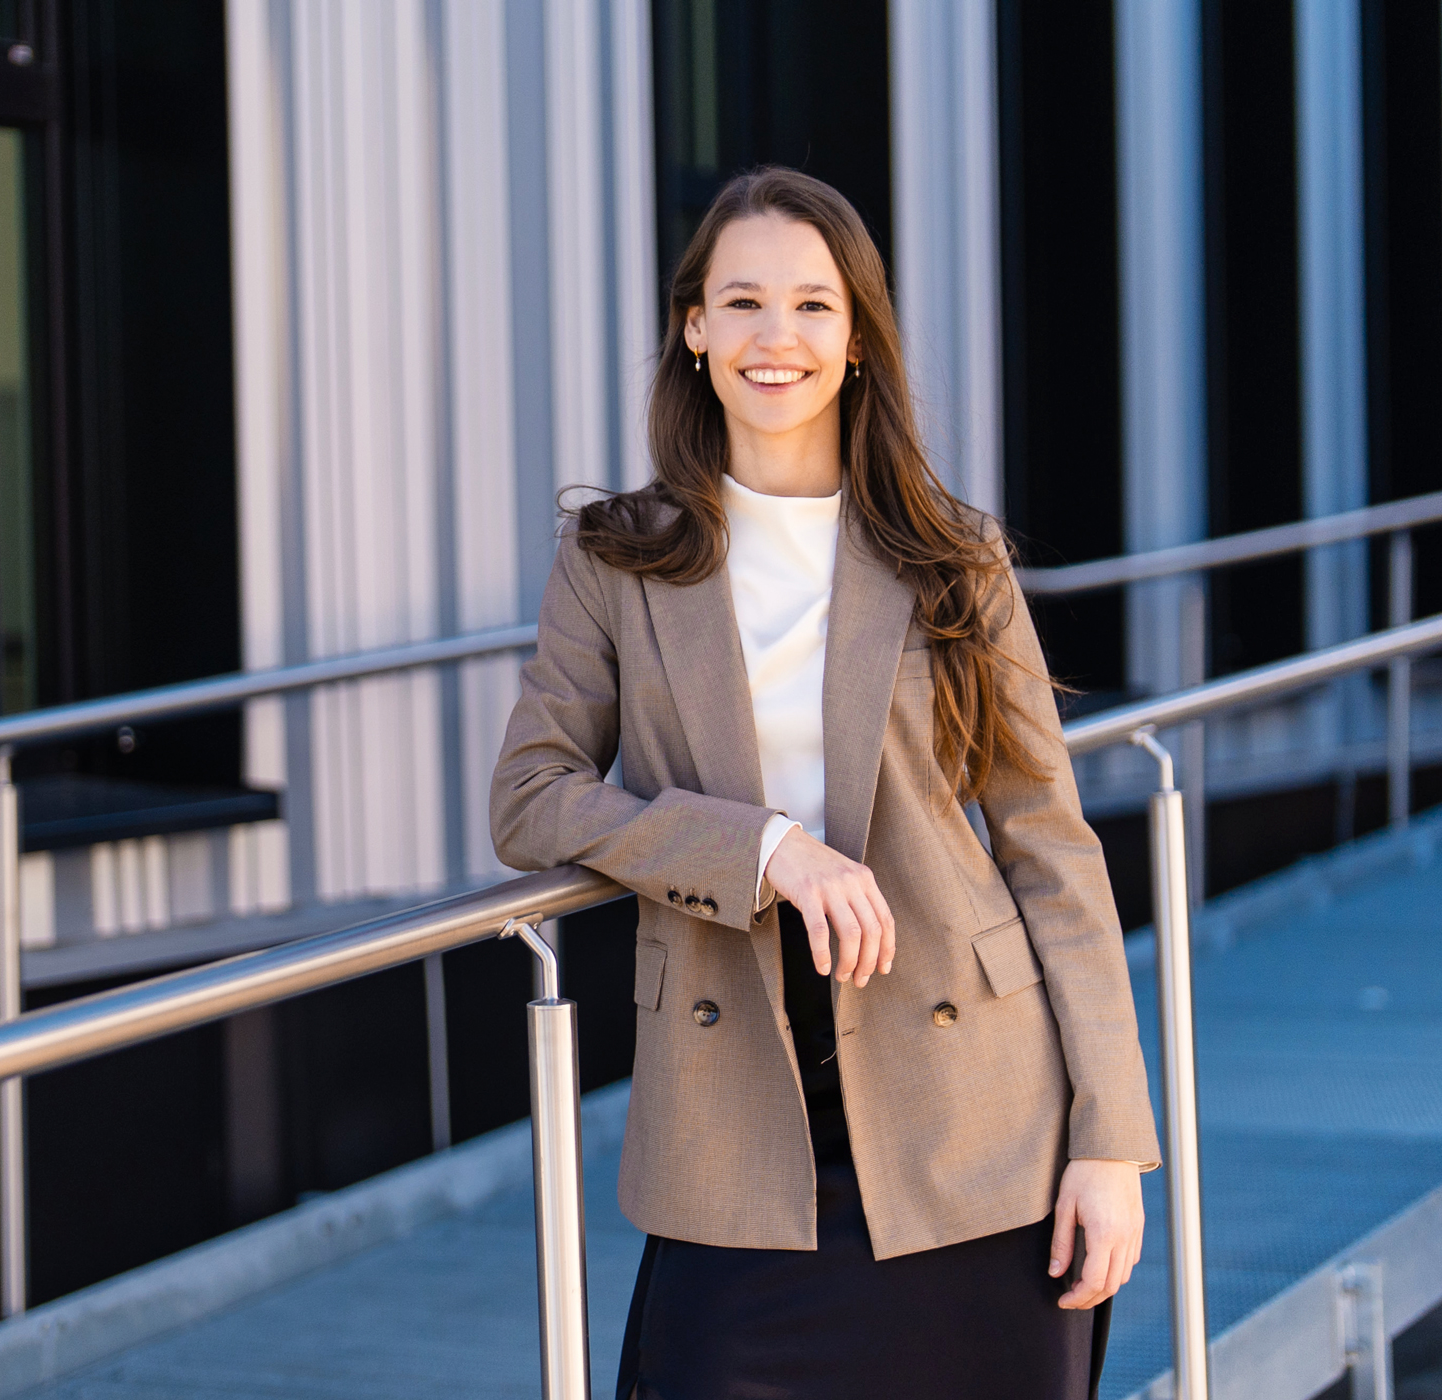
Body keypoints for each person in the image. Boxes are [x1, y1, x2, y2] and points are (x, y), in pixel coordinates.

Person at [489, 167, 1161, 1399]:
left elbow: (1050, 847)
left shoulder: (953, 555)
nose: (776, 337)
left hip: (978, 1128)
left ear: (855, 338)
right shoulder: (615, 558)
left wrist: (1111, 1139)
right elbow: (532, 796)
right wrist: (762, 849)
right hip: (732, 1125)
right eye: (743, 302)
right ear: (695, 327)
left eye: (812, 304)